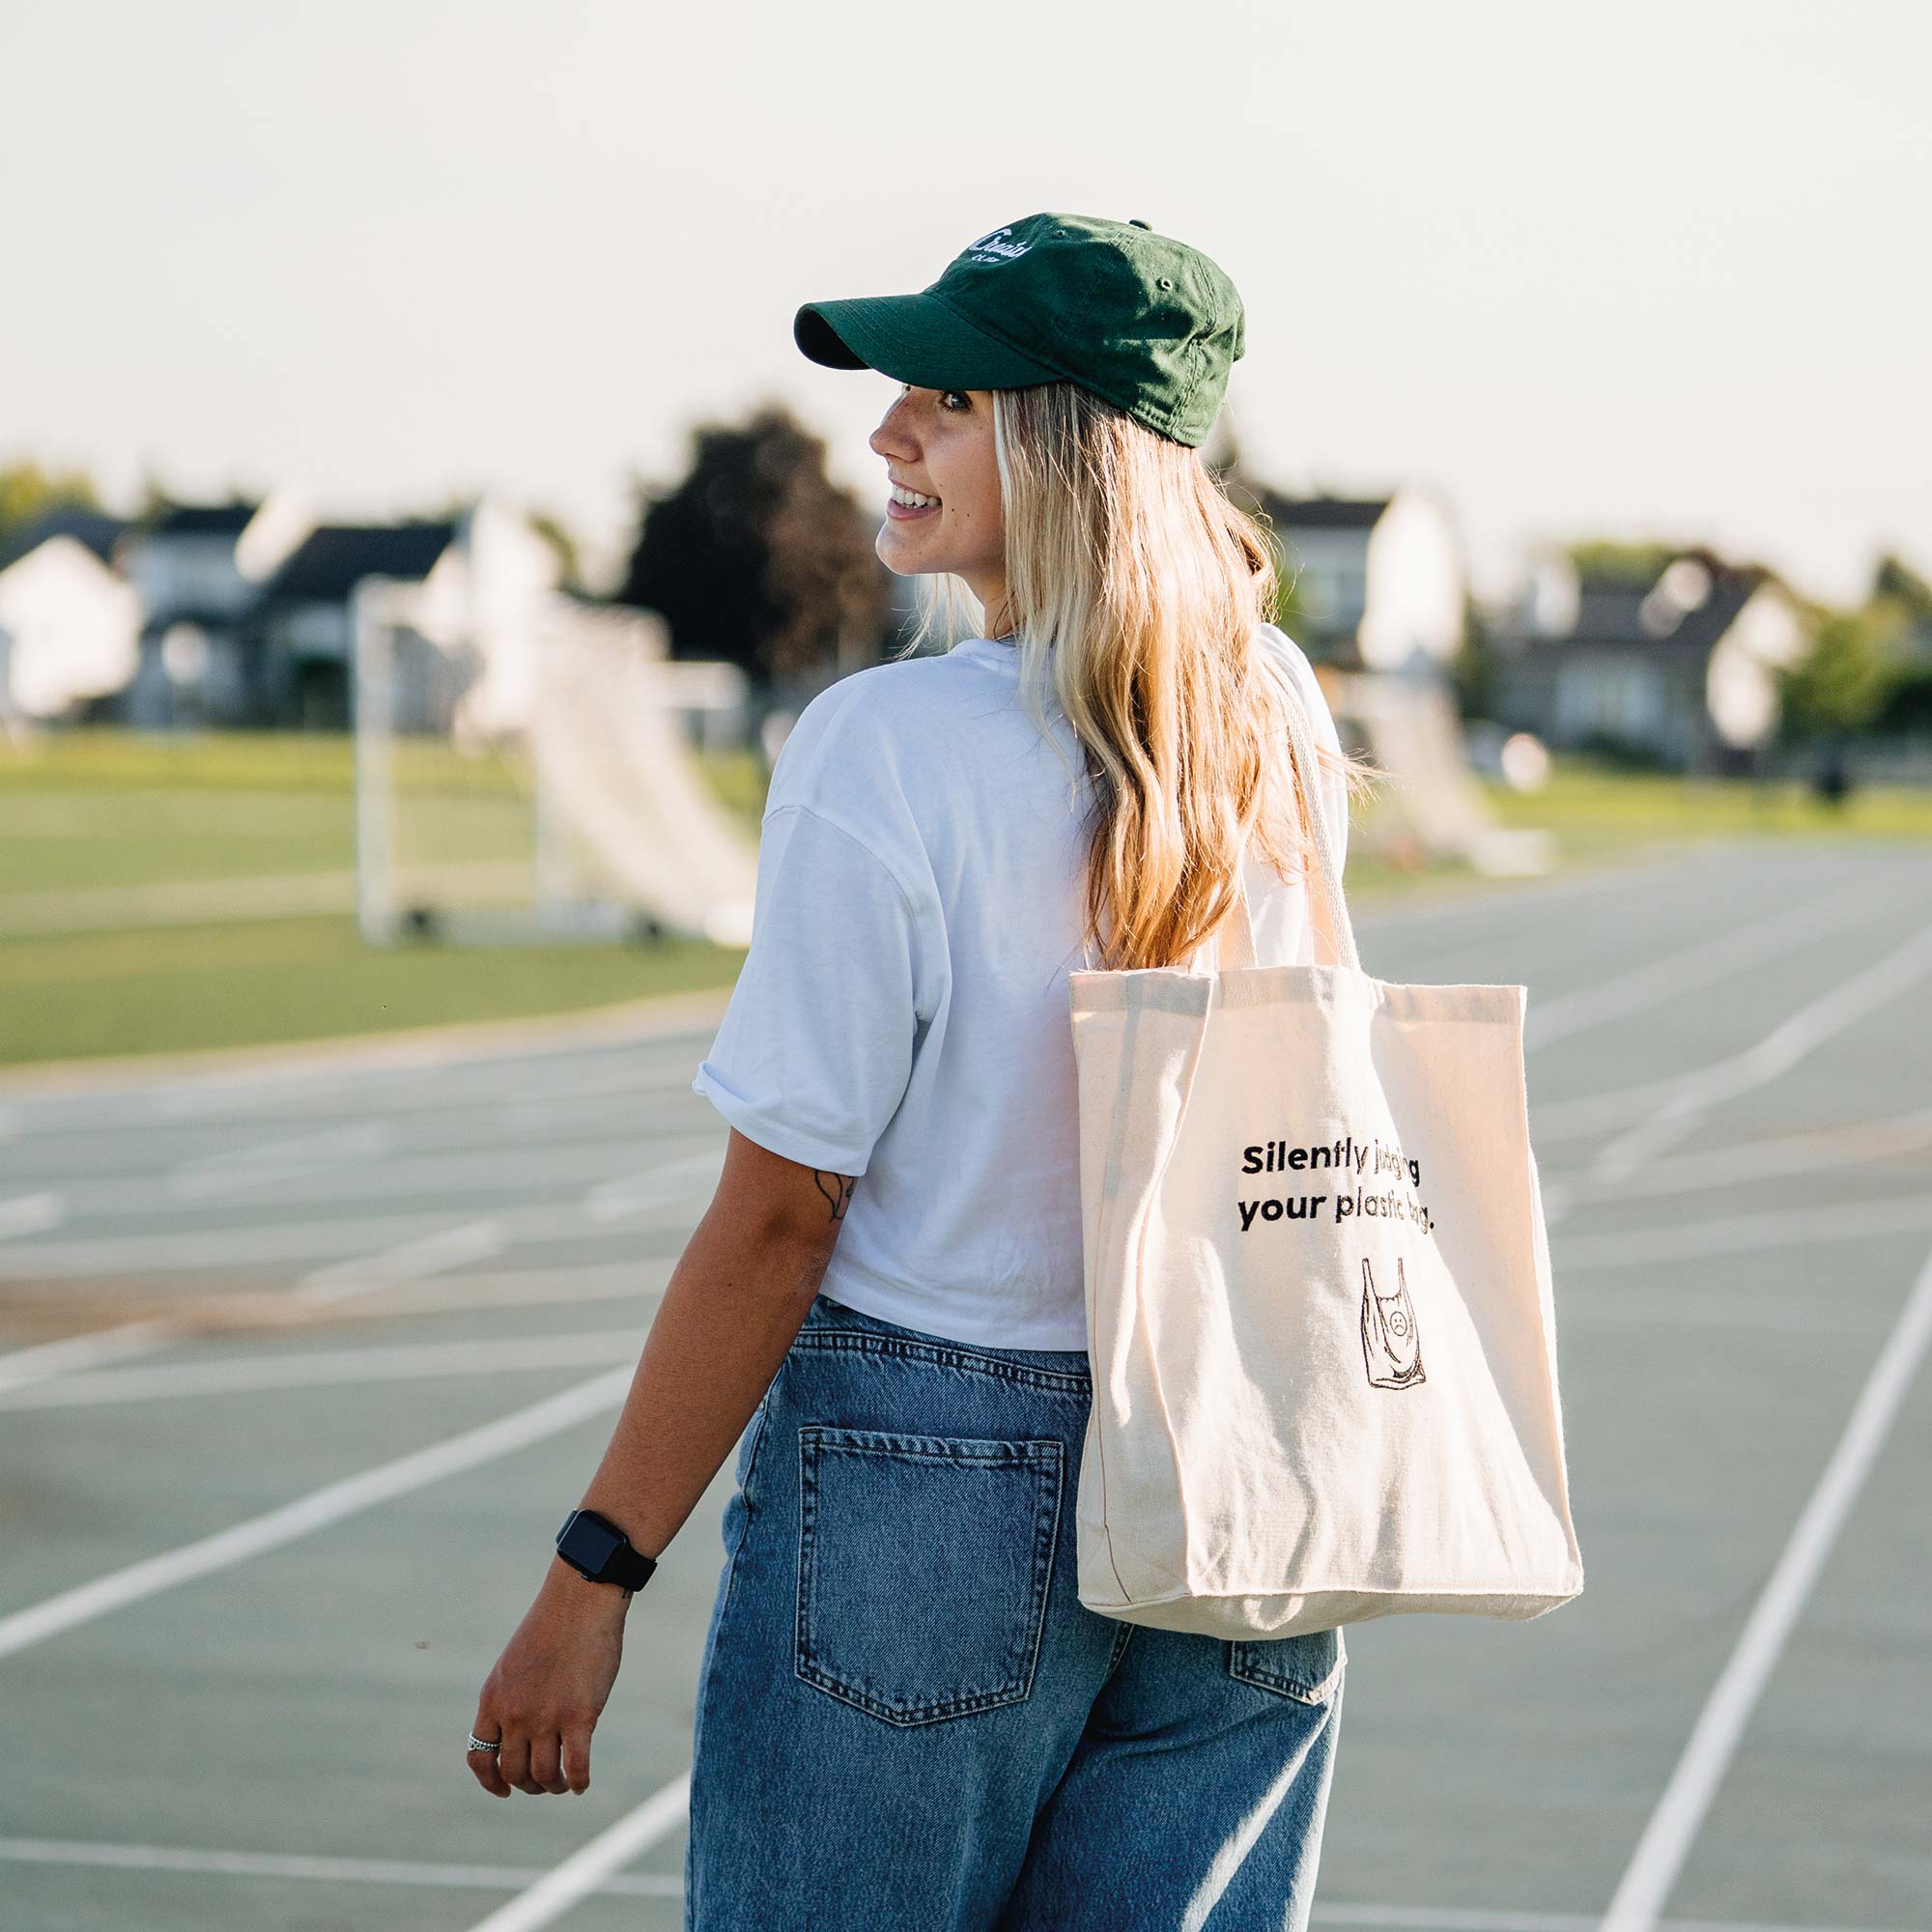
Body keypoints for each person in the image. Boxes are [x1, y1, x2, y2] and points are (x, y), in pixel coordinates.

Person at [466, 212, 1378, 1930]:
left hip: (928, 1466)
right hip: (1241, 1464)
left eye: (948, 398)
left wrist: (595, 1569)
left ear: (1077, 450)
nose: (885, 430)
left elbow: (777, 1222)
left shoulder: (884, 750)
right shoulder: (1276, 713)